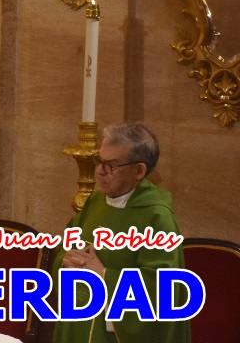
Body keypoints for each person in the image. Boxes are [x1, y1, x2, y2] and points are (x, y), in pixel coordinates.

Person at [49, 122, 188, 343]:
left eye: (111, 165)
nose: (99, 172)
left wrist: (104, 275)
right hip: (79, 324)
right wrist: (66, 261)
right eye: (99, 161)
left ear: (139, 171)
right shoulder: (95, 202)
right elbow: (65, 249)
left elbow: (162, 292)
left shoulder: (157, 218)